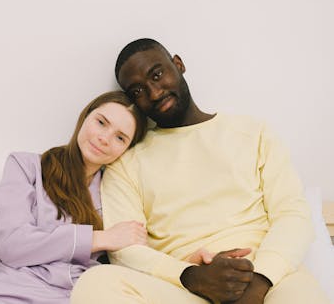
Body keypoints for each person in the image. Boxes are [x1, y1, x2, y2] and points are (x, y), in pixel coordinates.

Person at [70, 39, 329, 304]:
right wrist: (192, 277)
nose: (155, 93)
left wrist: (260, 281)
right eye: (137, 91)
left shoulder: (253, 132)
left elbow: (293, 215)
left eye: (157, 75)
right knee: (96, 283)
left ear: (178, 64)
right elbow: (125, 249)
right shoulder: (126, 163)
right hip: (186, 286)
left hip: (269, 277)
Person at [0, 91, 149, 304]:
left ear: (126, 150)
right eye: (101, 122)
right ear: (85, 117)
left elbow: (139, 256)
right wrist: (99, 238)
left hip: (76, 297)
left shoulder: (115, 195)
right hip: (11, 294)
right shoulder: (26, 167)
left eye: (120, 138)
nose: (104, 138)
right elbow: (11, 244)